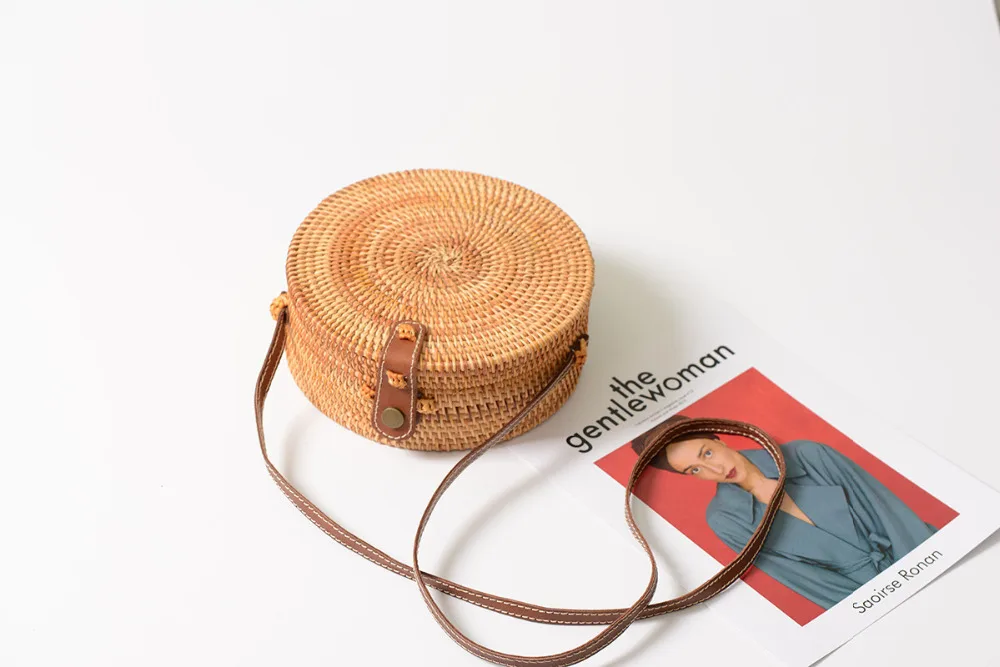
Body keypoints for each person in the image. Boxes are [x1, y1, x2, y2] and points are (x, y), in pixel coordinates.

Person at [631, 416, 938, 610]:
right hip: (873, 600)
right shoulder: (725, 519)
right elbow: (803, 579)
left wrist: (926, 567)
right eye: (695, 469)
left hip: (925, 554)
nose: (716, 469)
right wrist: (878, 608)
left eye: (707, 453)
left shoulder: (807, 454)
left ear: (717, 438)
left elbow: (887, 510)